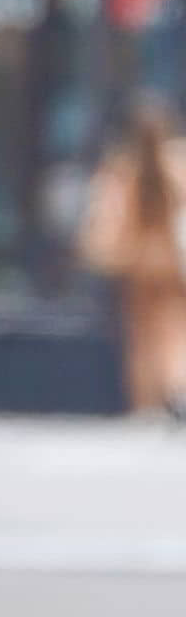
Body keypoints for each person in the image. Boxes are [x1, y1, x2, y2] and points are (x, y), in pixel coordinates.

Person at [80, 95, 186, 417]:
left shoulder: (124, 166)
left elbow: (105, 214)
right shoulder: (177, 162)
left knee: (143, 333)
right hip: (170, 261)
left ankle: (150, 400)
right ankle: (174, 388)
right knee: (173, 328)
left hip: (138, 260)